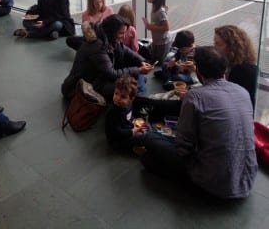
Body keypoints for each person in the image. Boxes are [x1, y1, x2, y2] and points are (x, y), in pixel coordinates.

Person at [141, 46, 258, 199]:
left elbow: (183, 148)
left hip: (212, 182)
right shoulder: (242, 92)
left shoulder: (194, 96)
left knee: (149, 141)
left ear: (198, 71)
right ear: (224, 69)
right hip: (247, 178)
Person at [61, 14, 154, 101]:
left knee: (133, 79)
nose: (124, 36)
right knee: (128, 86)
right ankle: (139, 95)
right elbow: (111, 73)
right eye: (121, 33)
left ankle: (138, 90)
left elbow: (125, 50)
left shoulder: (108, 38)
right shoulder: (97, 45)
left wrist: (142, 61)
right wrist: (138, 70)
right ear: (112, 32)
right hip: (83, 87)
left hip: (97, 78)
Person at [214, 25, 258, 109]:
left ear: (232, 47)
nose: (214, 48)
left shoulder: (241, 71)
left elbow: (229, 102)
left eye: (218, 44)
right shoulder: (232, 65)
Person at [105, 76, 148, 151]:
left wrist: (133, 122)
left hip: (127, 128)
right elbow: (116, 132)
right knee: (141, 138)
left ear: (131, 99)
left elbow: (129, 116)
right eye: (116, 93)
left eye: (123, 97)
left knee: (147, 128)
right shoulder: (112, 112)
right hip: (117, 140)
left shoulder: (129, 105)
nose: (117, 98)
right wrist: (132, 131)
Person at [143, 0, 172, 64]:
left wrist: (151, 26)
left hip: (163, 42)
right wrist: (150, 26)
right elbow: (157, 23)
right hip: (156, 40)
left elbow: (166, 27)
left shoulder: (160, 11)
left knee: (160, 62)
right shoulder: (154, 8)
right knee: (154, 58)